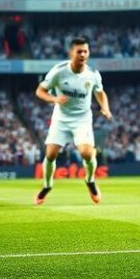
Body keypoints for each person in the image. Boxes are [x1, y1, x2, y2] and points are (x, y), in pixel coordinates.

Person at [33, 36, 112, 205]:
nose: (82, 54)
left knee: (86, 153)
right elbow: (40, 91)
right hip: (61, 118)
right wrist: (54, 99)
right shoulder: (58, 71)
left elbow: (100, 92)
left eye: (85, 51)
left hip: (82, 119)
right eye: (79, 51)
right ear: (71, 53)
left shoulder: (92, 74)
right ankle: (47, 186)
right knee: (50, 154)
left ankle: (90, 181)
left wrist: (105, 107)